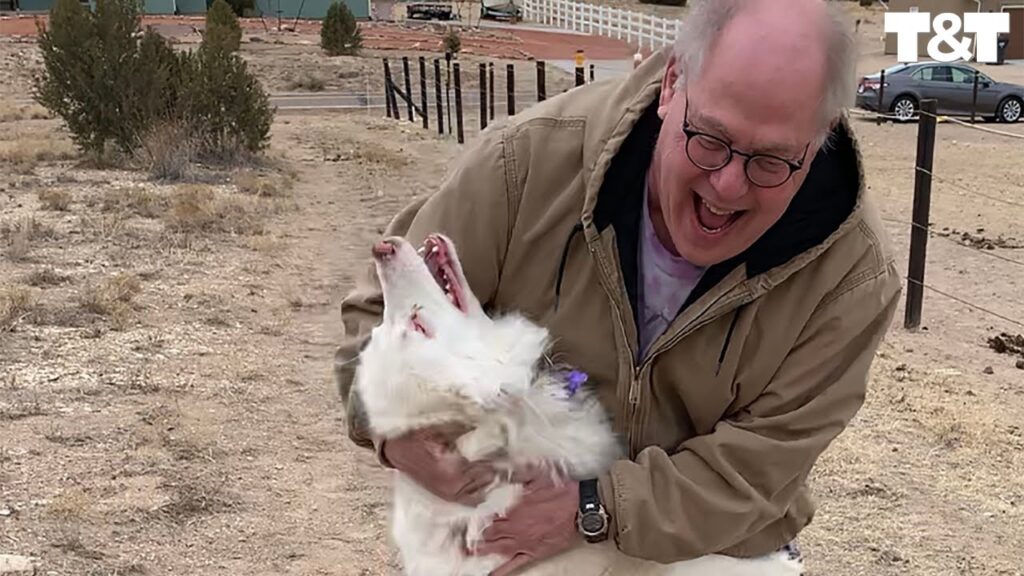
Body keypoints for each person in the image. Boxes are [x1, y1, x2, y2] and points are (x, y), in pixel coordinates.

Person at [333, 0, 903, 573]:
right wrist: (397, 432)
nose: (728, 186)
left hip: (706, 544)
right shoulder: (525, 162)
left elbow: (756, 470)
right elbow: (382, 311)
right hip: (512, 510)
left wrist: (592, 505)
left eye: (772, 160)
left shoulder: (852, 278)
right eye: (709, 138)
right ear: (672, 82)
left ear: (822, 133)